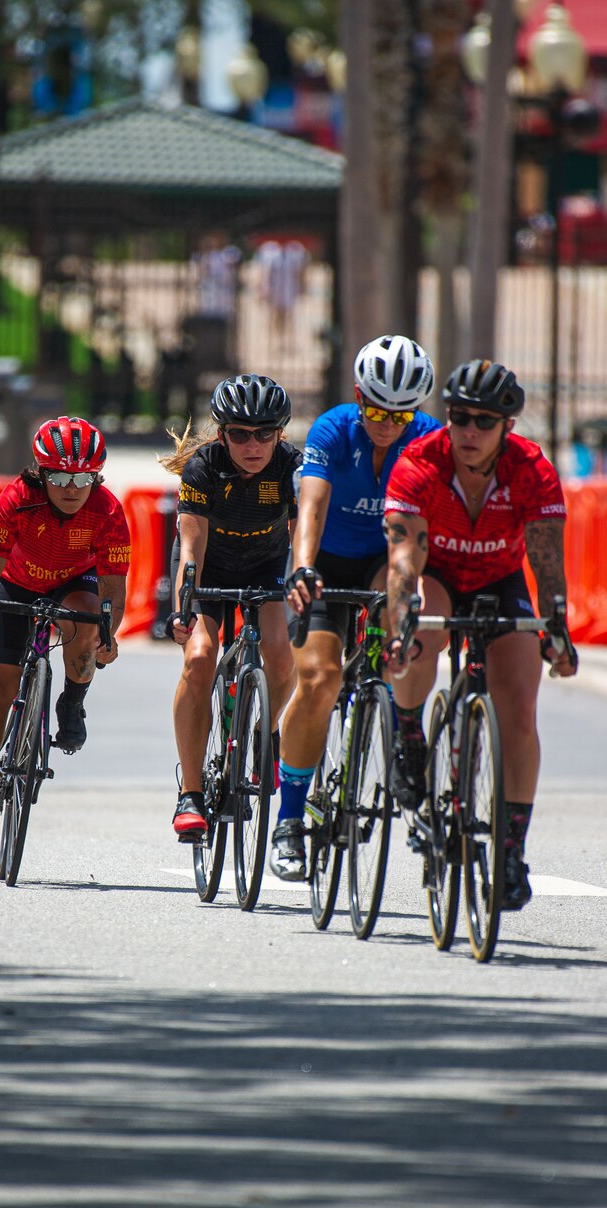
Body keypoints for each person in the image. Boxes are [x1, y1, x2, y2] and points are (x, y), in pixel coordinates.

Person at [384, 358, 577, 910]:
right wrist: (399, 624)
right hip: (437, 573)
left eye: (483, 422)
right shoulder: (420, 463)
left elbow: (547, 563)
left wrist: (557, 629)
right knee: (423, 632)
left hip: (500, 578)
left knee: (518, 709)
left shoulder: (531, 469)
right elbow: (402, 559)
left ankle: (511, 851)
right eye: (459, 418)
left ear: (507, 428)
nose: (468, 431)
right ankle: (408, 732)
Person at [271, 333, 441, 880]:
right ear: (357, 395)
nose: (386, 423)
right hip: (325, 560)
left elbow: (418, 532)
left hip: (384, 558)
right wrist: (302, 566)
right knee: (319, 680)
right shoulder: (333, 429)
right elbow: (312, 505)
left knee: (401, 625)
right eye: (374, 408)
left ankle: (397, 730)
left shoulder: (429, 439)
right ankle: (290, 819)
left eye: (400, 414)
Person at [0, 417, 130, 848]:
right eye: (61, 476)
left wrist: (109, 634)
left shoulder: (107, 510)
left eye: (83, 478)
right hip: (15, 585)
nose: (72, 488)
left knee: (87, 617)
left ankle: (72, 701)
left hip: (75, 583)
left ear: (96, 476)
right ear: (42, 473)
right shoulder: (15, 500)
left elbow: (113, 590)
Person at [161, 373, 301, 841]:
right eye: (240, 434)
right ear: (222, 433)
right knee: (201, 656)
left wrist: (303, 579)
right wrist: (185, 604)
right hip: (209, 567)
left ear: (279, 433)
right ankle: (191, 793)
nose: (253, 444)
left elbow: (303, 536)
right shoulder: (203, 467)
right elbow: (192, 544)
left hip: (265, 566)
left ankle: (265, 734)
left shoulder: (289, 466)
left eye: (265, 433)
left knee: (281, 655)